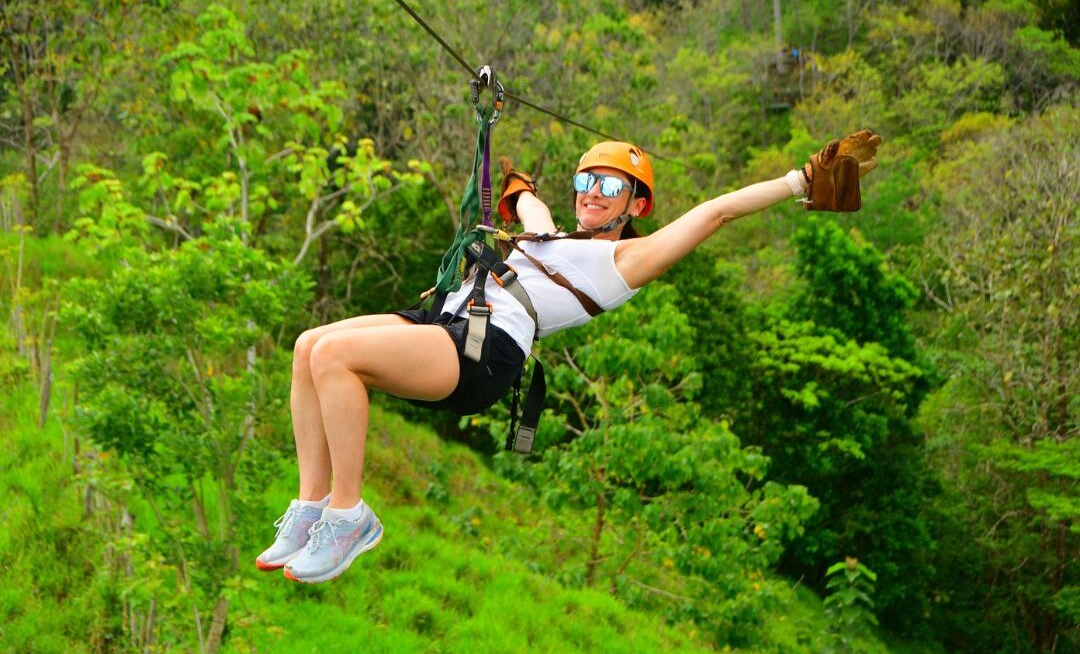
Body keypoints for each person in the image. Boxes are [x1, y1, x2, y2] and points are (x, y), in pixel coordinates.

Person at [256, 133, 881, 584]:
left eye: (610, 186)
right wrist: (505, 156)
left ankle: (350, 515)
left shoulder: (622, 264)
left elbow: (714, 212)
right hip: (447, 319)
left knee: (336, 356)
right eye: (586, 180)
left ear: (635, 206)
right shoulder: (550, 234)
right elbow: (525, 201)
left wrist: (798, 181)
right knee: (309, 346)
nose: (592, 192)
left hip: (484, 351)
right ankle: (312, 506)